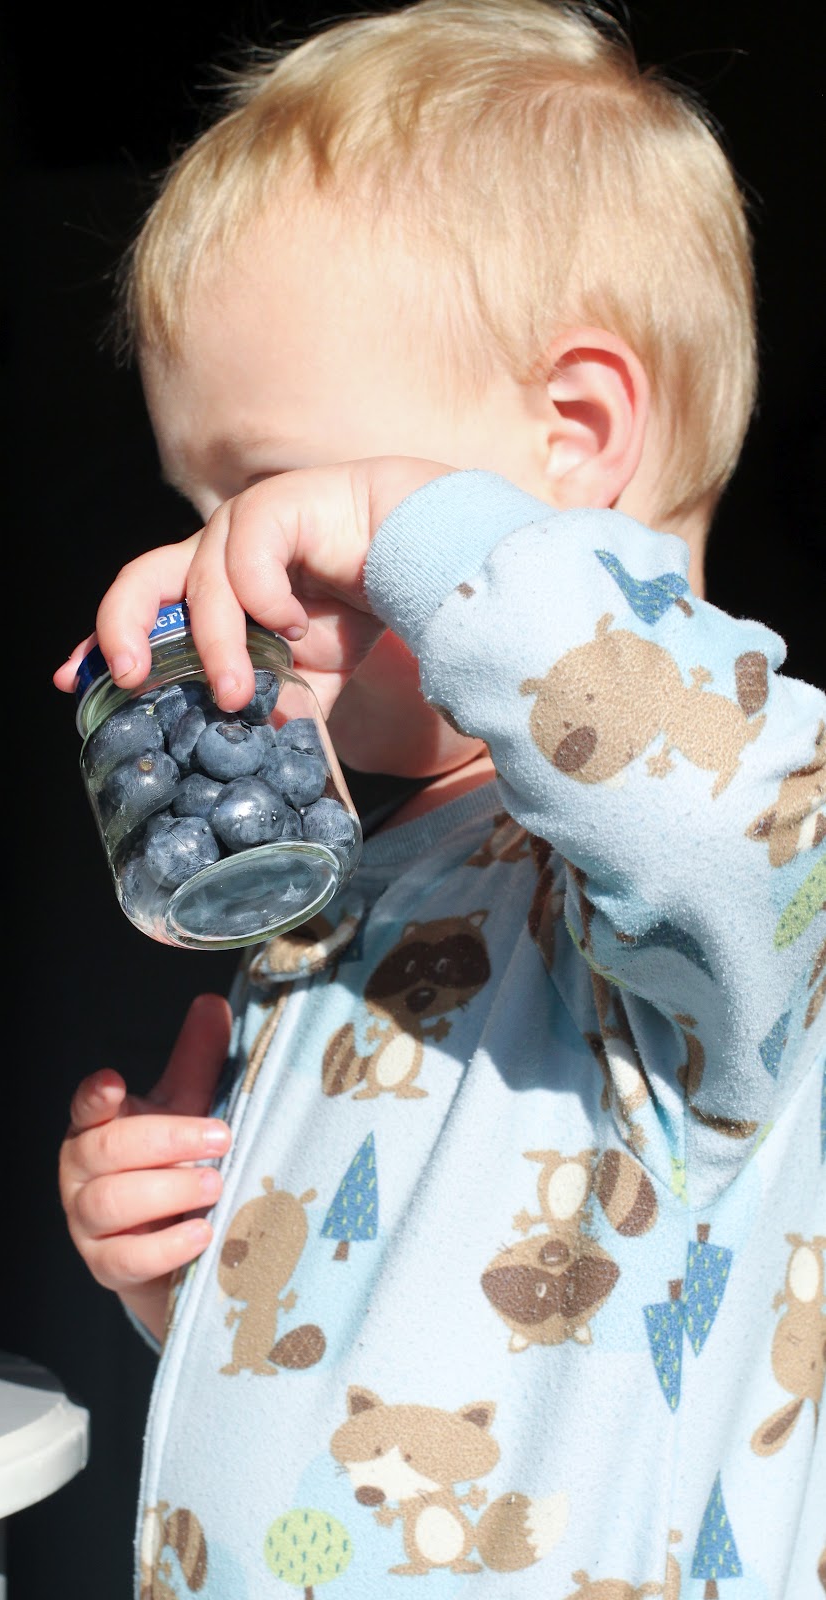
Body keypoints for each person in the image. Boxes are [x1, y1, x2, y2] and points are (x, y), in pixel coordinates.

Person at [56, 1, 826, 1592]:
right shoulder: (358, 876)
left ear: (573, 441)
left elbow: (715, 782)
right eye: (195, 505)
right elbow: (367, 1356)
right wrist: (180, 1276)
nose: (223, 574)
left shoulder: (690, 894)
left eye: (273, 494)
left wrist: (398, 522)